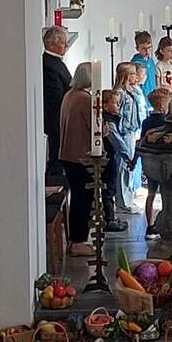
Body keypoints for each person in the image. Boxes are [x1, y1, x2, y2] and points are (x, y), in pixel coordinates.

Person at [59, 62, 98, 256]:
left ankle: (76, 239)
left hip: (68, 154)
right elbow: (95, 127)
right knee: (83, 199)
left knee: (77, 198)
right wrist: (105, 128)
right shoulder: (85, 98)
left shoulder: (69, 95)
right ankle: (78, 242)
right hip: (80, 155)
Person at [139, 87, 172, 239]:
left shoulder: (146, 122)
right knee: (166, 195)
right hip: (164, 163)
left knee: (150, 194)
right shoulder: (166, 122)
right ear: (162, 106)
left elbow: (142, 142)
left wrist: (135, 160)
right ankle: (166, 224)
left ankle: (150, 226)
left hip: (149, 162)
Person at [114, 62, 146, 213]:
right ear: (126, 76)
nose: (136, 76)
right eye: (132, 73)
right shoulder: (119, 93)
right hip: (124, 133)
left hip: (132, 131)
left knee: (130, 166)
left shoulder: (132, 91)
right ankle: (123, 201)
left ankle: (129, 196)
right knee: (124, 165)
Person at [99, 89, 130, 233]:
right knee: (109, 187)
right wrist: (128, 157)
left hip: (111, 157)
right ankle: (109, 219)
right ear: (105, 106)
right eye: (116, 103)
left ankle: (110, 217)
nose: (119, 106)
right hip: (108, 158)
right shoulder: (108, 123)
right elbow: (118, 143)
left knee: (111, 186)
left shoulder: (111, 119)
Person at [41, 25, 72, 172]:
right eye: (62, 42)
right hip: (56, 117)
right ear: (51, 44)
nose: (66, 46)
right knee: (57, 158)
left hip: (60, 116)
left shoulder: (55, 62)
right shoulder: (49, 64)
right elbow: (55, 96)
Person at [131, 31, 157, 99]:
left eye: (149, 47)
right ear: (137, 49)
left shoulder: (151, 61)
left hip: (153, 96)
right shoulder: (135, 63)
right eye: (143, 49)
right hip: (142, 96)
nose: (147, 51)